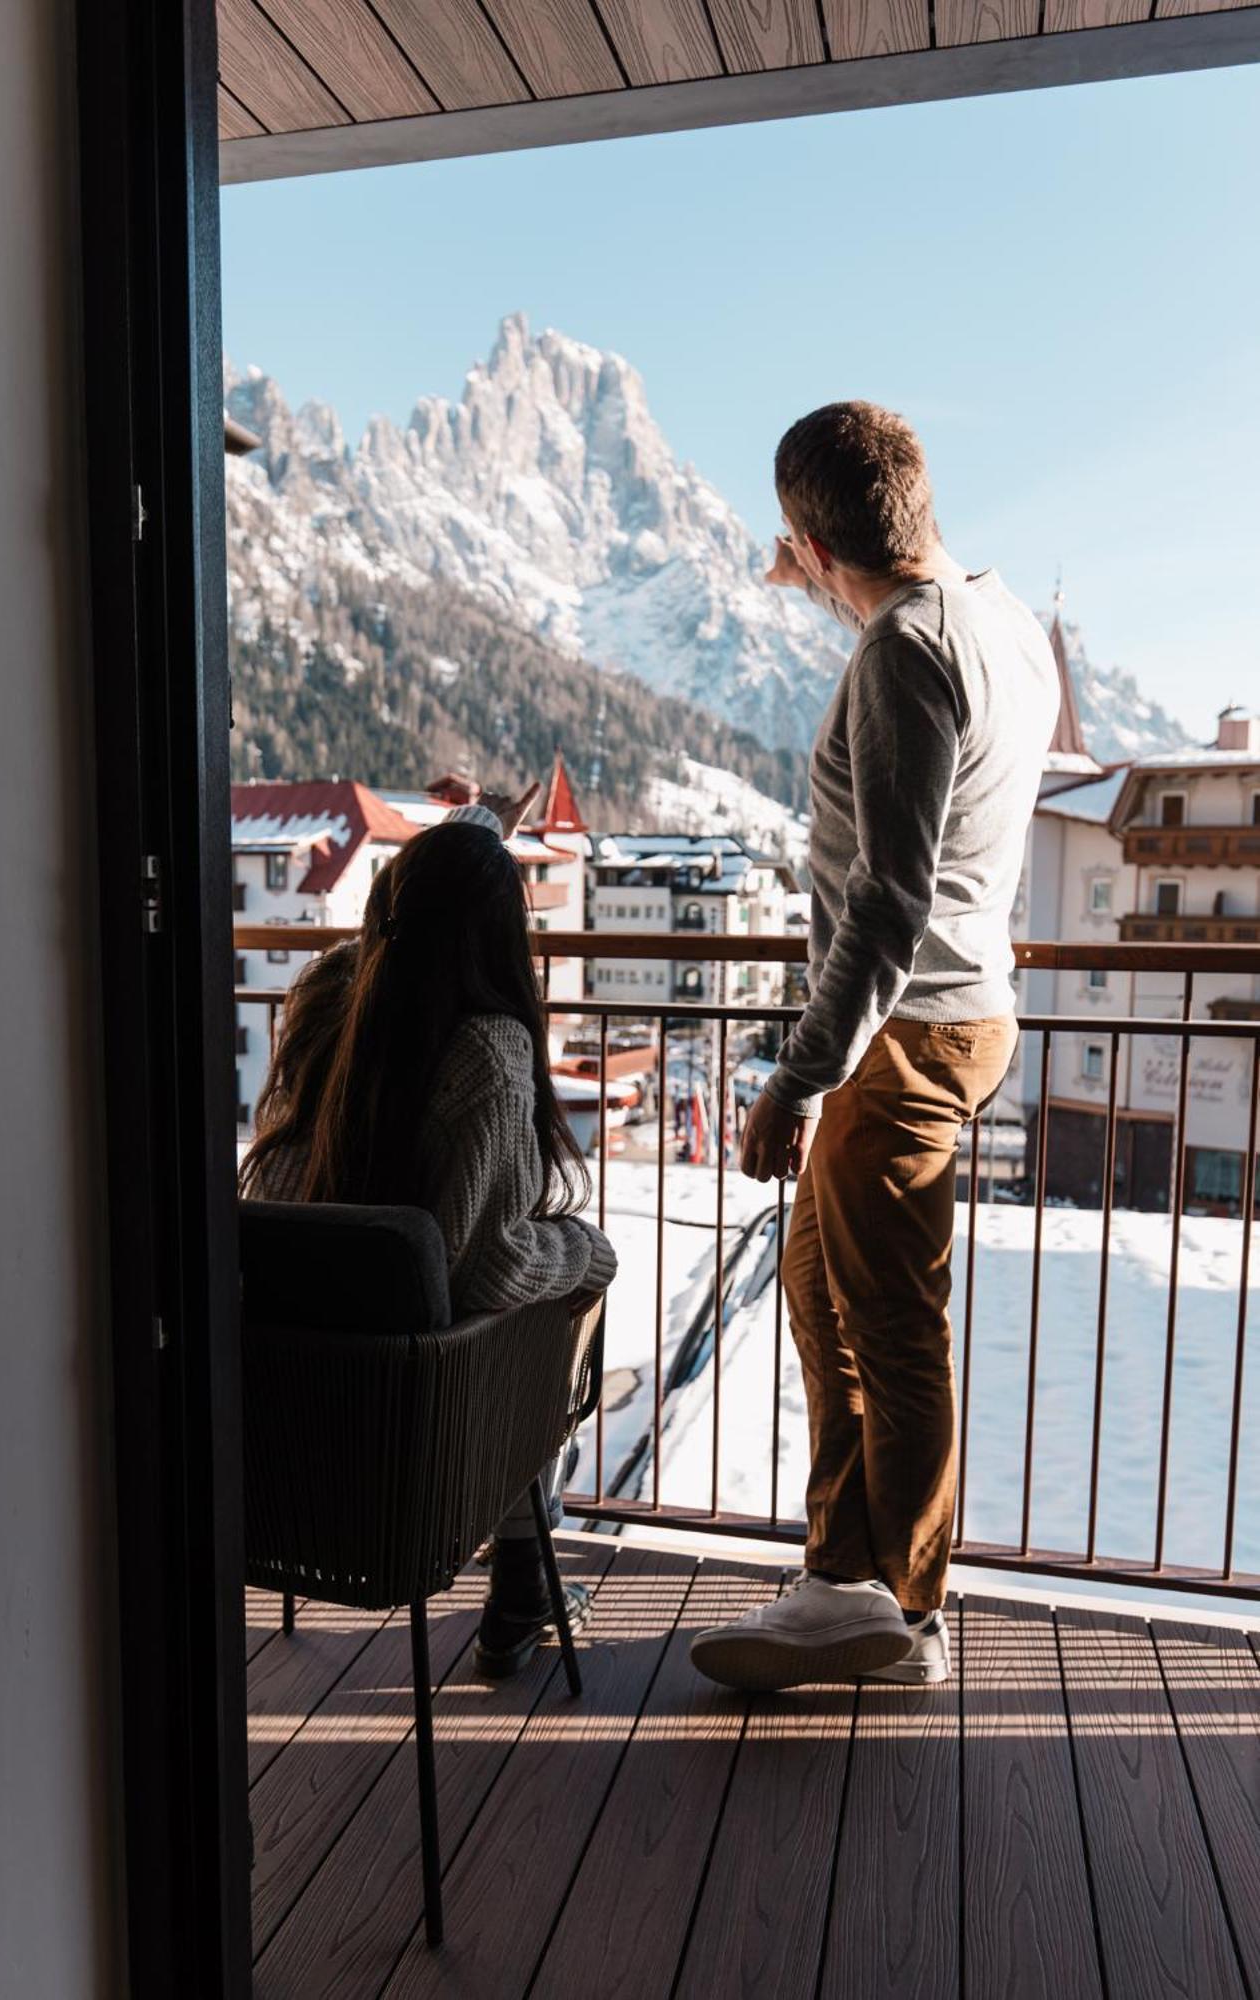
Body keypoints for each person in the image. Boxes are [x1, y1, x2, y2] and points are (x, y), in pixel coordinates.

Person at [690, 403, 1057, 1693]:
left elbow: (888, 900)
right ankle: (842, 1572)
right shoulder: (998, 619)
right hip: (953, 1011)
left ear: (807, 535)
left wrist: (798, 1073)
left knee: (890, 1322)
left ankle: (902, 1609)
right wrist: (820, 565)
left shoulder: (905, 652)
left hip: (901, 1032)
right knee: (816, 1281)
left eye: (793, 551)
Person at [240, 788, 617, 1678]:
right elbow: (490, 1266)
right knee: (561, 1289)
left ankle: (525, 1577)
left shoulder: (336, 1002)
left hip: (293, 1452)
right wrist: (588, 1251)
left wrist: (466, 841)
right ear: (498, 936)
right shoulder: (488, 1049)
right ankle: (523, 1575)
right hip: (415, 1469)